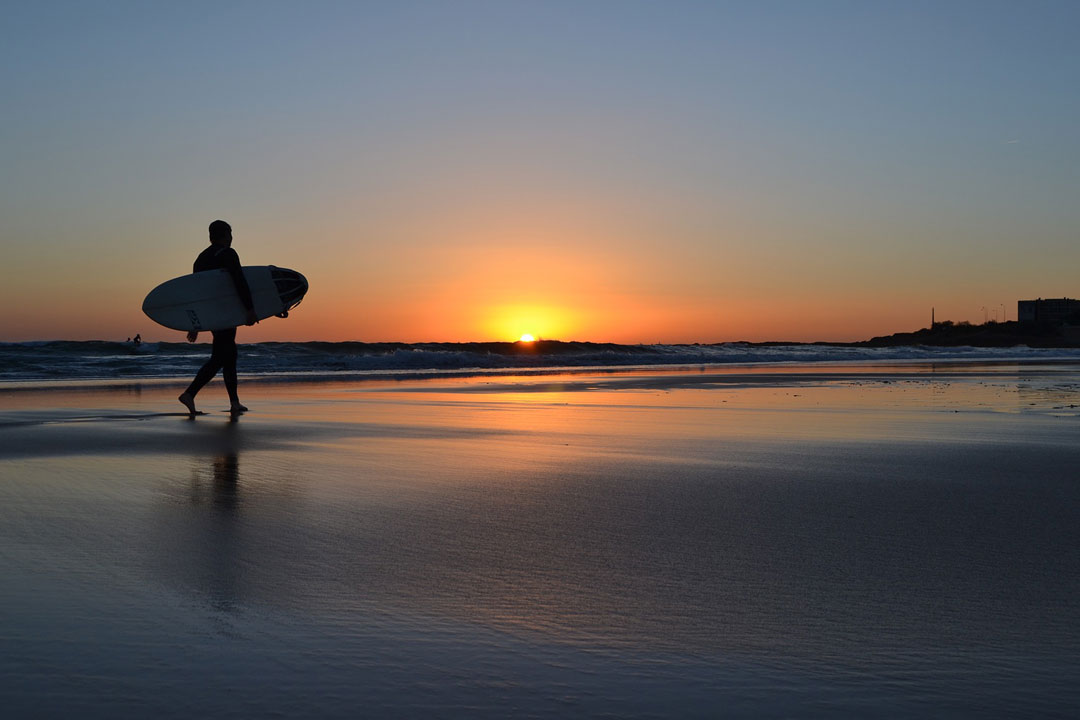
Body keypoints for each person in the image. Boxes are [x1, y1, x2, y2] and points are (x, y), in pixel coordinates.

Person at [178, 220, 257, 415]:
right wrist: (249, 309)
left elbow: (198, 293)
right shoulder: (228, 254)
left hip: (212, 314)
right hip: (226, 312)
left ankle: (234, 403)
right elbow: (239, 280)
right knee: (222, 356)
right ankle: (190, 394)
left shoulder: (200, 259)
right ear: (226, 234)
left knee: (228, 355)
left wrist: (195, 324)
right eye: (230, 233)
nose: (232, 238)